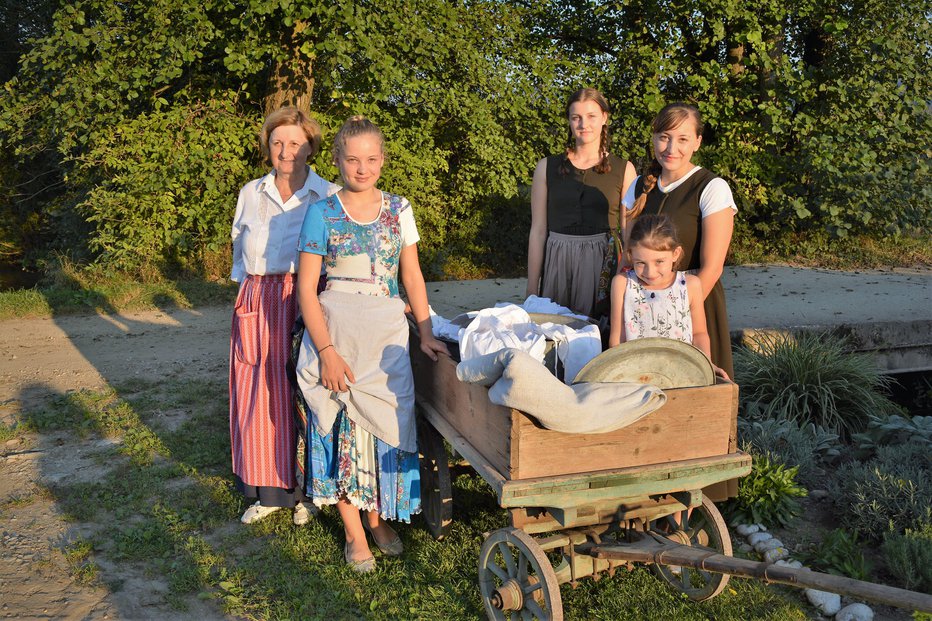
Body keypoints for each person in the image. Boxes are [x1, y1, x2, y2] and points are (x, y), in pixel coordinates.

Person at [295, 116, 447, 573]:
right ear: (338, 161)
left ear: (382, 160)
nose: (363, 168)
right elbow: (306, 289)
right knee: (342, 430)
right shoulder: (322, 212)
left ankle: (378, 518)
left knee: (383, 430)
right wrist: (325, 352)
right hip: (338, 334)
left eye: (372, 159)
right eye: (352, 159)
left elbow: (412, 275)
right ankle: (353, 532)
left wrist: (425, 331)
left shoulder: (399, 209)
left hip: (386, 339)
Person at [229, 107, 339, 526]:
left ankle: (310, 489)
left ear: (311, 146)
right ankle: (270, 489)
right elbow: (241, 255)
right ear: (267, 147)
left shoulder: (328, 194)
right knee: (259, 392)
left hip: (309, 294)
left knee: (307, 391)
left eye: (295, 142)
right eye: (277, 142)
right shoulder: (251, 193)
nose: (285, 150)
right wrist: (246, 302)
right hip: (259, 297)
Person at [621, 103, 737, 378]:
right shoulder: (638, 186)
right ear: (654, 138)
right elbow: (627, 257)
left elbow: (712, 267)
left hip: (692, 307)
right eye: (664, 137)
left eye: (682, 139)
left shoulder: (711, 188)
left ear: (697, 142)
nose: (671, 148)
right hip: (641, 307)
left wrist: (675, 310)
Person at [527, 87, 636, 318]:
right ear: (569, 120)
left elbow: (629, 235)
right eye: (576, 117)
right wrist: (531, 288)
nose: (583, 124)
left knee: (598, 336)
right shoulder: (546, 167)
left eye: (591, 116)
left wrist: (625, 279)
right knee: (553, 331)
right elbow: (537, 231)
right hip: (557, 260)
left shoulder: (624, 169)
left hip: (602, 264)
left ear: (604, 118)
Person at [608, 214, 728, 379]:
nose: (650, 272)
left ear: (675, 253)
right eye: (640, 263)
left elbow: (699, 333)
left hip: (681, 374)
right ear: (630, 255)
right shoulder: (622, 284)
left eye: (659, 262)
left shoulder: (691, 285)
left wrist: (706, 364)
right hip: (637, 376)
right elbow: (617, 339)